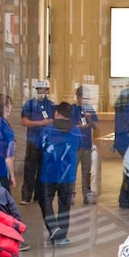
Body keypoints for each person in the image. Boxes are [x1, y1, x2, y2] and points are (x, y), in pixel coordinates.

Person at [39, 102, 81, 247]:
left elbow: (40, 145)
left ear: (56, 113)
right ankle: (61, 236)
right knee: (64, 205)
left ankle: (53, 228)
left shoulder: (47, 130)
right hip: (68, 174)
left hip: (49, 173)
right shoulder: (76, 131)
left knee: (45, 202)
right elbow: (78, 146)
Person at [20, 82, 55, 205]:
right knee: (29, 169)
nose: (42, 92)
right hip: (33, 141)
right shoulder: (29, 104)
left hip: (46, 142)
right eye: (40, 90)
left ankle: (39, 195)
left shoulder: (51, 105)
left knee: (43, 170)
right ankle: (26, 196)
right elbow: (24, 121)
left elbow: (55, 121)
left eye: (44, 90)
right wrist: (41, 123)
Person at [72, 86, 99, 205]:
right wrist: (78, 126)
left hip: (87, 145)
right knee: (72, 171)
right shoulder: (72, 109)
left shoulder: (90, 109)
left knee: (86, 171)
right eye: (83, 97)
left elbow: (95, 126)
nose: (84, 100)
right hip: (75, 146)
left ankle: (86, 194)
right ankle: (70, 194)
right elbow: (67, 126)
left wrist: (89, 119)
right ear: (78, 97)